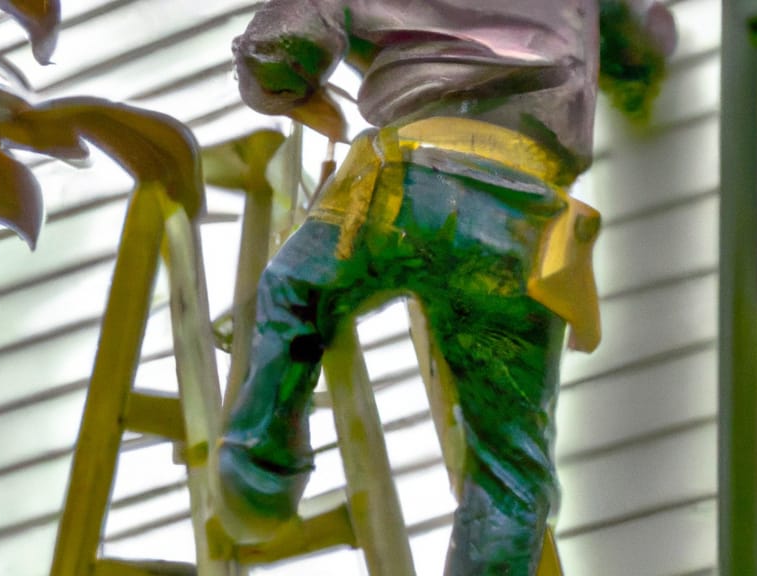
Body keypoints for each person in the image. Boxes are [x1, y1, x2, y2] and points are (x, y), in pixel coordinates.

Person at [215, 1, 676, 573]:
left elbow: (278, 49)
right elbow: (639, 45)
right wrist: (645, 56)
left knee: (295, 293)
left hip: (403, 184)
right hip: (517, 213)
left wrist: (296, 93)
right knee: (509, 466)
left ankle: (259, 474)